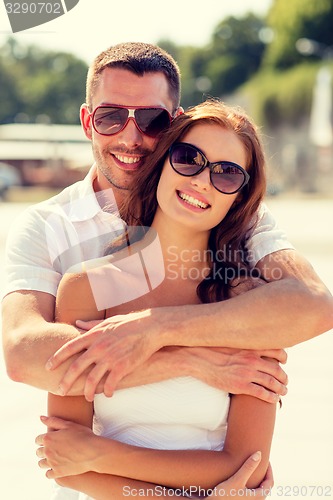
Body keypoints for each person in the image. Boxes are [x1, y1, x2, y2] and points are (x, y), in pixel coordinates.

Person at [1, 41, 295, 405]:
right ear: (86, 122)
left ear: (175, 123)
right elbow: (23, 354)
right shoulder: (44, 224)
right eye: (110, 116)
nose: (130, 138)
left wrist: (155, 327)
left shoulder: (225, 209)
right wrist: (189, 360)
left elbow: (310, 303)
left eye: (151, 120)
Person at [36, 100, 281, 500]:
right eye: (189, 158)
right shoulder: (86, 288)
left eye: (227, 173)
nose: (203, 180)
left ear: (240, 195)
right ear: (161, 163)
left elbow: (245, 466)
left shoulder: (251, 303)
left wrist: (100, 453)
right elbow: (65, 465)